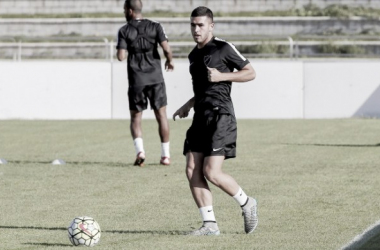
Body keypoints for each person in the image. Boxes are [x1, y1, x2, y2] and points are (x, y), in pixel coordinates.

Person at [173, 6, 257, 235]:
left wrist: (223, 76)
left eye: (200, 25)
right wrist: (188, 105)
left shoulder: (223, 47)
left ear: (211, 25)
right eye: (193, 25)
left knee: (212, 172)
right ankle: (210, 225)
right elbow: (203, 89)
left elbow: (250, 72)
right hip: (200, 116)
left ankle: (247, 202)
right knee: (192, 169)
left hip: (221, 116)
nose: (196, 29)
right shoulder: (193, 55)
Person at [116, 0, 174, 166]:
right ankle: (165, 156)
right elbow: (167, 49)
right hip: (156, 78)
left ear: (130, 10)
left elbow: (121, 57)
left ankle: (140, 151)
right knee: (161, 116)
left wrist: (127, 49)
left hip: (136, 80)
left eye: (124, 9)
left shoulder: (124, 30)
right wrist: (170, 61)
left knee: (136, 118)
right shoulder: (156, 26)